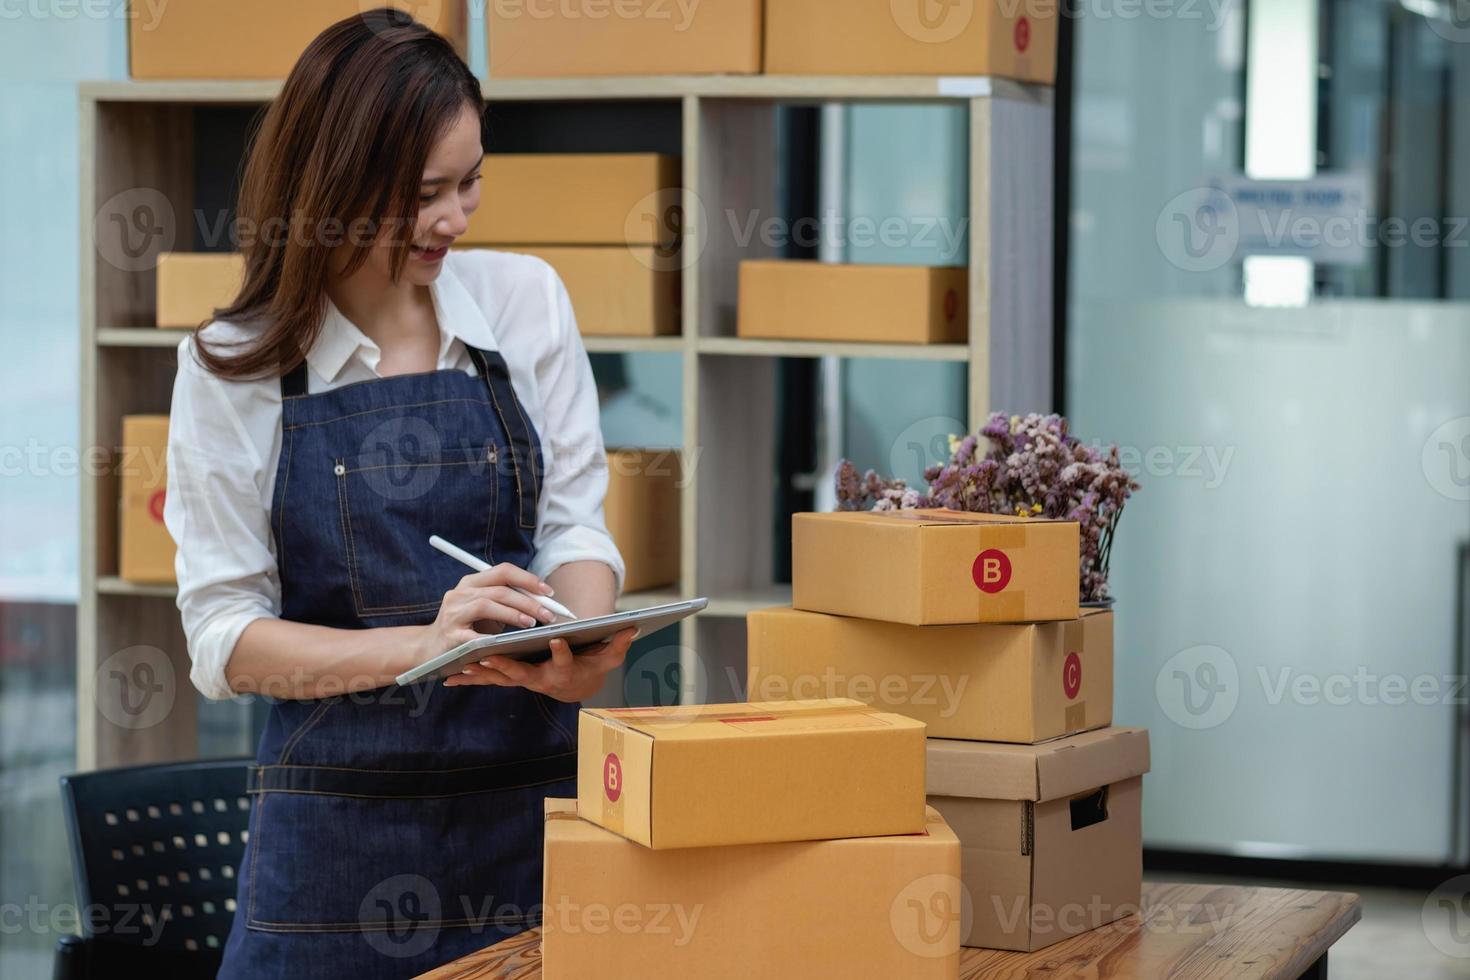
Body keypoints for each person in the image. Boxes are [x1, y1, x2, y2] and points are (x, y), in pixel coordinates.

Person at [162, 10, 634, 976]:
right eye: (425, 195)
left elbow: (575, 523)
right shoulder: (232, 368)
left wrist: (579, 644)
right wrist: (422, 649)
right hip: (334, 853)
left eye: (470, 183)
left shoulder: (524, 301)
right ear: (332, 185)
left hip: (537, 825)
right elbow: (223, 638)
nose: (456, 220)